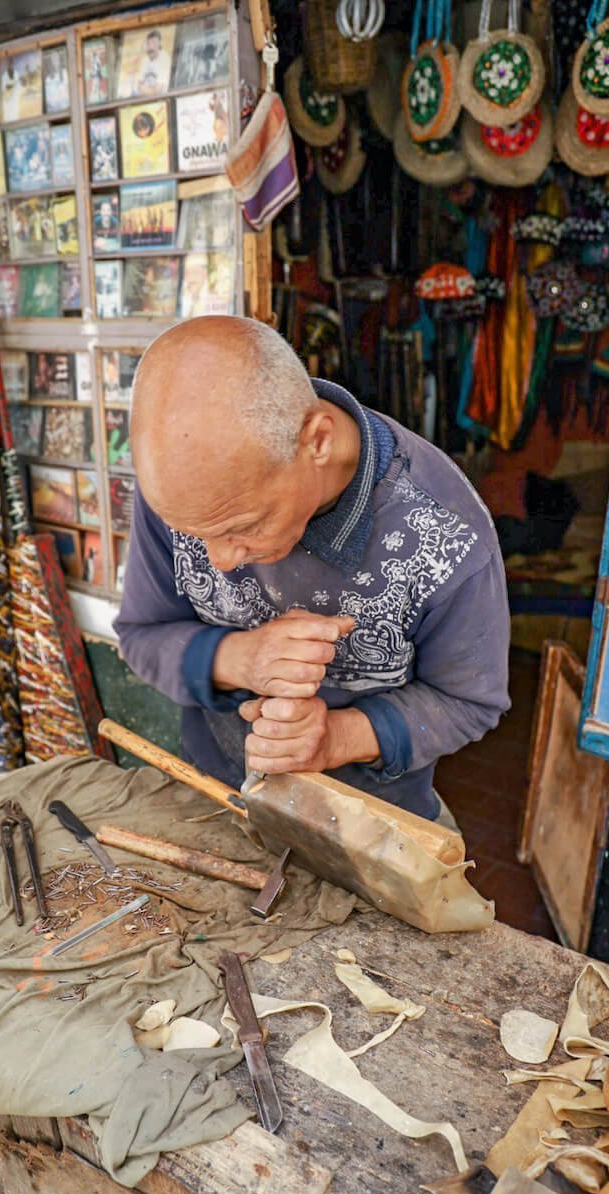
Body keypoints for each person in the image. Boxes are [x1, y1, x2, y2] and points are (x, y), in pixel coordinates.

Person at [114, 317, 511, 824]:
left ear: (317, 442)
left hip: (368, 823)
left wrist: (335, 738)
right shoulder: (188, 495)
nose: (219, 559)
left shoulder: (447, 537)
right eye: (196, 534)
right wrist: (240, 658)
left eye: (243, 527)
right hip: (213, 792)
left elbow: (469, 702)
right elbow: (142, 634)